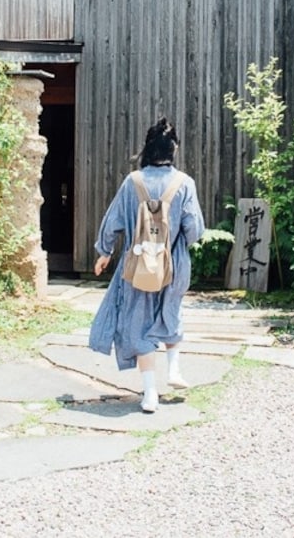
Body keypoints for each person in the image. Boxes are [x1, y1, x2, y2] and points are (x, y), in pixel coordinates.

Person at [88, 117, 205, 413]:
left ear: (147, 149)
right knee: (171, 312)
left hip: (138, 264)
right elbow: (195, 230)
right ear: (173, 148)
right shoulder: (184, 183)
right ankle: (174, 368)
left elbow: (113, 220)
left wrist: (104, 252)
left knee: (138, 324)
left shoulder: (133, 182)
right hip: (173, 263)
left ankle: (149, 393)